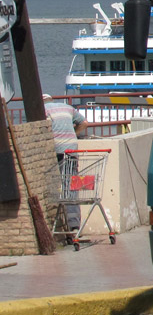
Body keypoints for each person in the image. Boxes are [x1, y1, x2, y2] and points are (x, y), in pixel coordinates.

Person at [43, 93, 88, 231]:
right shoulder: (67, 107)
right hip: (72, 149)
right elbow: (84, 123)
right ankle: (74, 224)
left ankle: (61, 223)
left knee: (56, 185)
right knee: (72, 185)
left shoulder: (44, 109)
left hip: (57, 151)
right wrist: (74, 133)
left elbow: (43, 128)